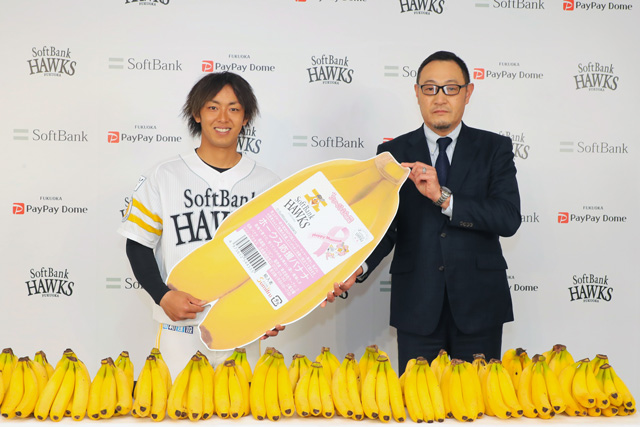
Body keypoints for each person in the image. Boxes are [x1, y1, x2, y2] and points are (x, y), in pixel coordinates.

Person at [331, 51, 521, 371]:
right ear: (417, 93)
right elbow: (385, 229)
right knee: (418, 399)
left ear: (468, 93)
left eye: (451, 88)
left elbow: (507, 217)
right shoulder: (391, 154)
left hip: (480, 305)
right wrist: (358, 267)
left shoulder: (494, 149)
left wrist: (443, 198)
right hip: (416, 306)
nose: (440, 98)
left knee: (478, 401)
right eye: (430, 88)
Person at [118, 71, 284, 373]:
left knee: (243, 404)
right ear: (197, 114)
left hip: (243, 327)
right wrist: (162, 295)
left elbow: (281, 258)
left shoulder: (268, 183)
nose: (223, 117)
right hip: (180, 327)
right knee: (175, 403)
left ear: (246, 117)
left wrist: (272, 308)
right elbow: (138, 244)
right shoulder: (165, 175)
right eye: (212, 107)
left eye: (234, 108)